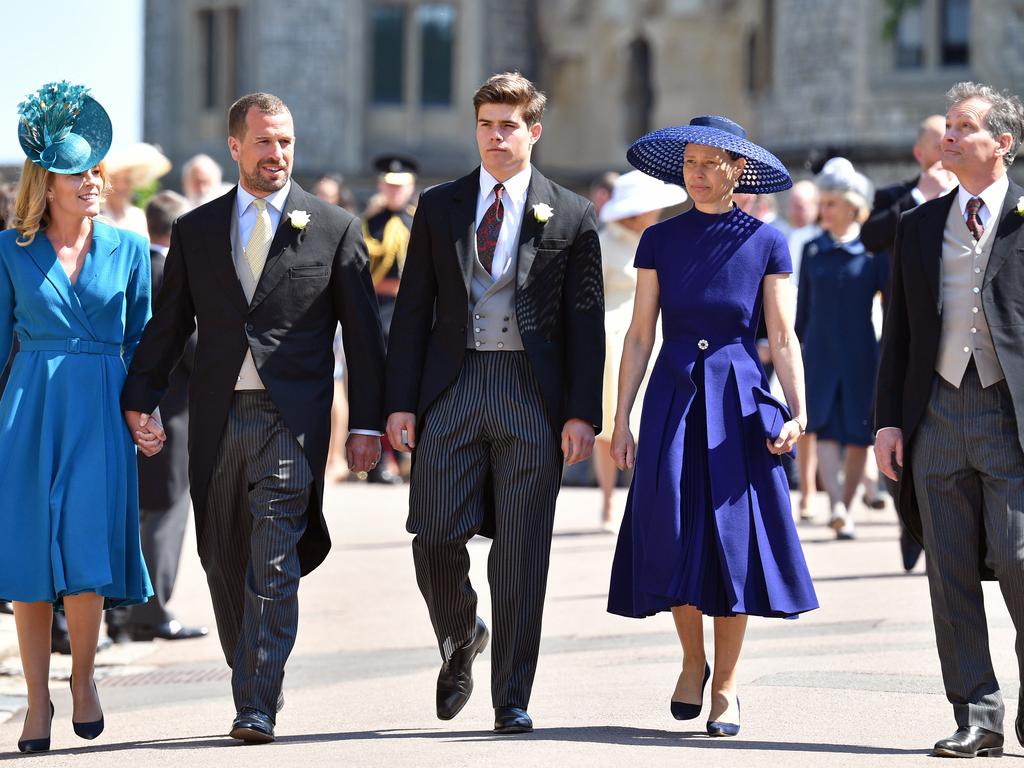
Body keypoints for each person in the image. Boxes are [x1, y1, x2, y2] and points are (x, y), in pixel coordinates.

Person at [121, 92, 386, 744]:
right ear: (235, 145)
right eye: (265, 142)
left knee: (273, 559)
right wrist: (139, 396)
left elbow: (363, 338)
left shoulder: (334, 227)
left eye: (287, 142)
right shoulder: (197, 230)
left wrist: (367, 424)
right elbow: (169, 324)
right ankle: (252, 670)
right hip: (215, 419)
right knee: (222, 556)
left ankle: (256, 701)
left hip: (290, 420)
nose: (278, 154)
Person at [384, 72, 604, 735]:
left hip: (530, 394)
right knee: (434, 533)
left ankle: (512, 695)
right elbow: (413, 309)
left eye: (508, 125)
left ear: (533, 131)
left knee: (521, 553)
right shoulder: (441, 205)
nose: (495, 136)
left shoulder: (570, 213)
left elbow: (585, 322)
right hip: (453, 387)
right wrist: (400, 403)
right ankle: (461, 634)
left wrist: (581, 413)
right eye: (485, 124)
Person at [608, 116, 818, 738]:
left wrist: (799, 409)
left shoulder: (767, 240)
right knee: (671, 525)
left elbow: (781, 335)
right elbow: (640, 333)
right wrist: (620, 418)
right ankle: (691, 659)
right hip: (673, 394)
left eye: (710, 164)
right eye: (690, 163)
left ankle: (725, 683)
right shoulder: (659, 240)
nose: (697, 174)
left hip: (738, 401)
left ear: (736, 170)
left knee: (733, 540)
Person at [0, 82, 153, 753]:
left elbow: (146, 340)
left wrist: (144, 409)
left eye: (96, 170)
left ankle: (83, 679)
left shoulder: (128, 249)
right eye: (77, 173)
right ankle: (37, 705)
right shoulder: (8, 249)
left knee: (85, 553)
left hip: (101, 406)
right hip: (28, 410)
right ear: (47, 181)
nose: (92, 181)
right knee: (31, 561)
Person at [875, 81, 1024, 759]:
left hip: (1009, 413)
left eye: (965, 127)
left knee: (1021, 562)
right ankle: (977, 715)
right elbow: (898, 335)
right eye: (949, 128)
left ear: (1003, 143)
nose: (950, 138)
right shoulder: (917, 226)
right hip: (933, 414)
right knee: (951, 574)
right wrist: (888, 423)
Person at [862, 114, 956, 571]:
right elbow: (870, 236)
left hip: (959, 334)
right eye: (940, 142)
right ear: (921, 153)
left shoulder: (974, 199)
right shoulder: (897, 197)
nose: (948, 147)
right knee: (904, 432)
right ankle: (909, 520)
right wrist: (921, 196)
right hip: (908, 330)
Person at [121, 191, 208, 642]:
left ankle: (126, 611)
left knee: (138, 511)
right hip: (172, 409)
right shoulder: (172, 270)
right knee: (166, 513)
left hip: (137, 403)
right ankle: (151, 612)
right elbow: (189, 346)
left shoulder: (137, 268)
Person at [795, 158, 885, 540]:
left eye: (831, 203)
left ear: (852, 206)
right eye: (823, 202)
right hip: (819, 351)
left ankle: (845, 507)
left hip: (861, 352)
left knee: (857, 432)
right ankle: (835, 505)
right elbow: (802, 311)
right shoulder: (812, 249)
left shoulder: (873, 252)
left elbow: (892, 302)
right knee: (824, 428)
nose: (823, 210)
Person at [593, 170, 686, 530]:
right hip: (615, 340)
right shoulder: (604, 242)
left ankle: (645, 499)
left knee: (652, 421)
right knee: (612, 424)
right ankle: (606, 501)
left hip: (659, 336)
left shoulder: (662, 242)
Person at [364, 154, 419, 485]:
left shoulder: (421, 221)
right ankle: (384, 456)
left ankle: (411, 454)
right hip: (379, 311)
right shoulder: (367, 223)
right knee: (381, 384)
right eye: (389, 184)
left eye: (401, 185)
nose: (394, 190)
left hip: (413, 313)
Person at [101, 142, 172, 238]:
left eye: (127, 181)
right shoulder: (97, 216)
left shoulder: (139, 217)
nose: (121, 186)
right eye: (115, 180)